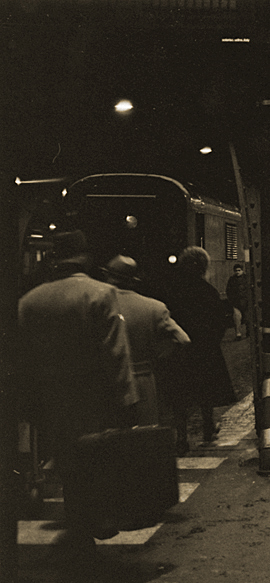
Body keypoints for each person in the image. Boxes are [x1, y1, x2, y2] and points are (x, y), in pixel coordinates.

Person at [18, 230, 138, 556]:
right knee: (97, 461)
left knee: (67, 463)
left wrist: (28, 404)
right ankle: (96, 519)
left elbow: (23, 359)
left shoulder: (29, 301)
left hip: (51, 399)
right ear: (84, 257)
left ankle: (78, 524)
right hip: (94, 397)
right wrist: (127, 398)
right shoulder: (101, 294)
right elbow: (116, 352)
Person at [162, 246, 236, 453]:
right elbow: (221, 322)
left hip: (180, 350)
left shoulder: (172, 291)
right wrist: (212, 340)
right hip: (205, 349)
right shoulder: (209, 292)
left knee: (180, 396)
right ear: (203, 267)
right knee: (206, 392)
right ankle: (207, 428)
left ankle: (182, 438)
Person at [102, 255, 190, 428]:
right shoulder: (154, 307)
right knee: (145, 431)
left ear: (107, 276)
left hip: (107, 380)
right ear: (135, 280)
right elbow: (183, 339)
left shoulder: (97, 304)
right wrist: (159, 354)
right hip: (143, 377)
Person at [226, 263, 249, 339]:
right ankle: (238, 334)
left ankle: (247, 332)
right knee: (237, 318)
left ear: (242, 270)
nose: (237, 272)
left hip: (245, 301)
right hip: (237, 302)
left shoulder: (245, 278)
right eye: (236, 271)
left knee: (247, 318)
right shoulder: (234, 279)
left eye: (239, 270)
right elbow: (228, 290)